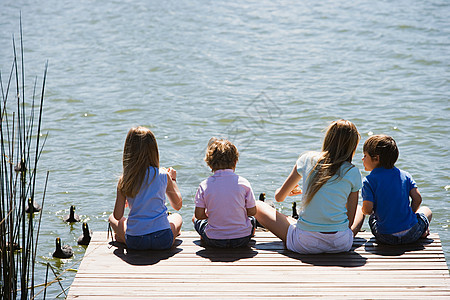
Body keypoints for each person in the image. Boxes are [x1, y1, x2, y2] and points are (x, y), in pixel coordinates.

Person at [255, 120, 363, 254]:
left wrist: (285, 192)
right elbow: (350, 221)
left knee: (258, 206)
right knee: (360, 209)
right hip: (340, 244)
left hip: (304, 243)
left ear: (328, 138)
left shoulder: (307, 159)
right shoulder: (352, 172)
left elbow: (279, 198)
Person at [109, 126, 183, 250]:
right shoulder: (163, 175)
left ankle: (123, 238)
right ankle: (173, 233)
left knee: (112, 218)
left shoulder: (125, 179)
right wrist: (173, 180)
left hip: (136, 242)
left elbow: (117, 215)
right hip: (163, 240)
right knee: (176, 217)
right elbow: (177, 205)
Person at [358, 134, 432, 244]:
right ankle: (422, 231)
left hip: (385, 237)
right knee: (427, 211)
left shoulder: (368, 181)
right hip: (411, 234)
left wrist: (367, 210)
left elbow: (368, 210)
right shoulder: (405, 175)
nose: (362, 158)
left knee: (372, 218)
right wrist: (409, 214)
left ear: (376, 158)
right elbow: (418, 199)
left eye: (365, 155)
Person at [192, 138, 257, 248]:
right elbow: (252, 211)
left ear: (209, 163)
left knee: (195, 219)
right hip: (242, 239)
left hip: (214, 240)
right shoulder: (244, 183)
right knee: (252, 220)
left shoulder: (204, 185)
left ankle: (206, 235)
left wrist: (212, 215)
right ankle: (251, 231)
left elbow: (199, 215)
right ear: (235, 161)